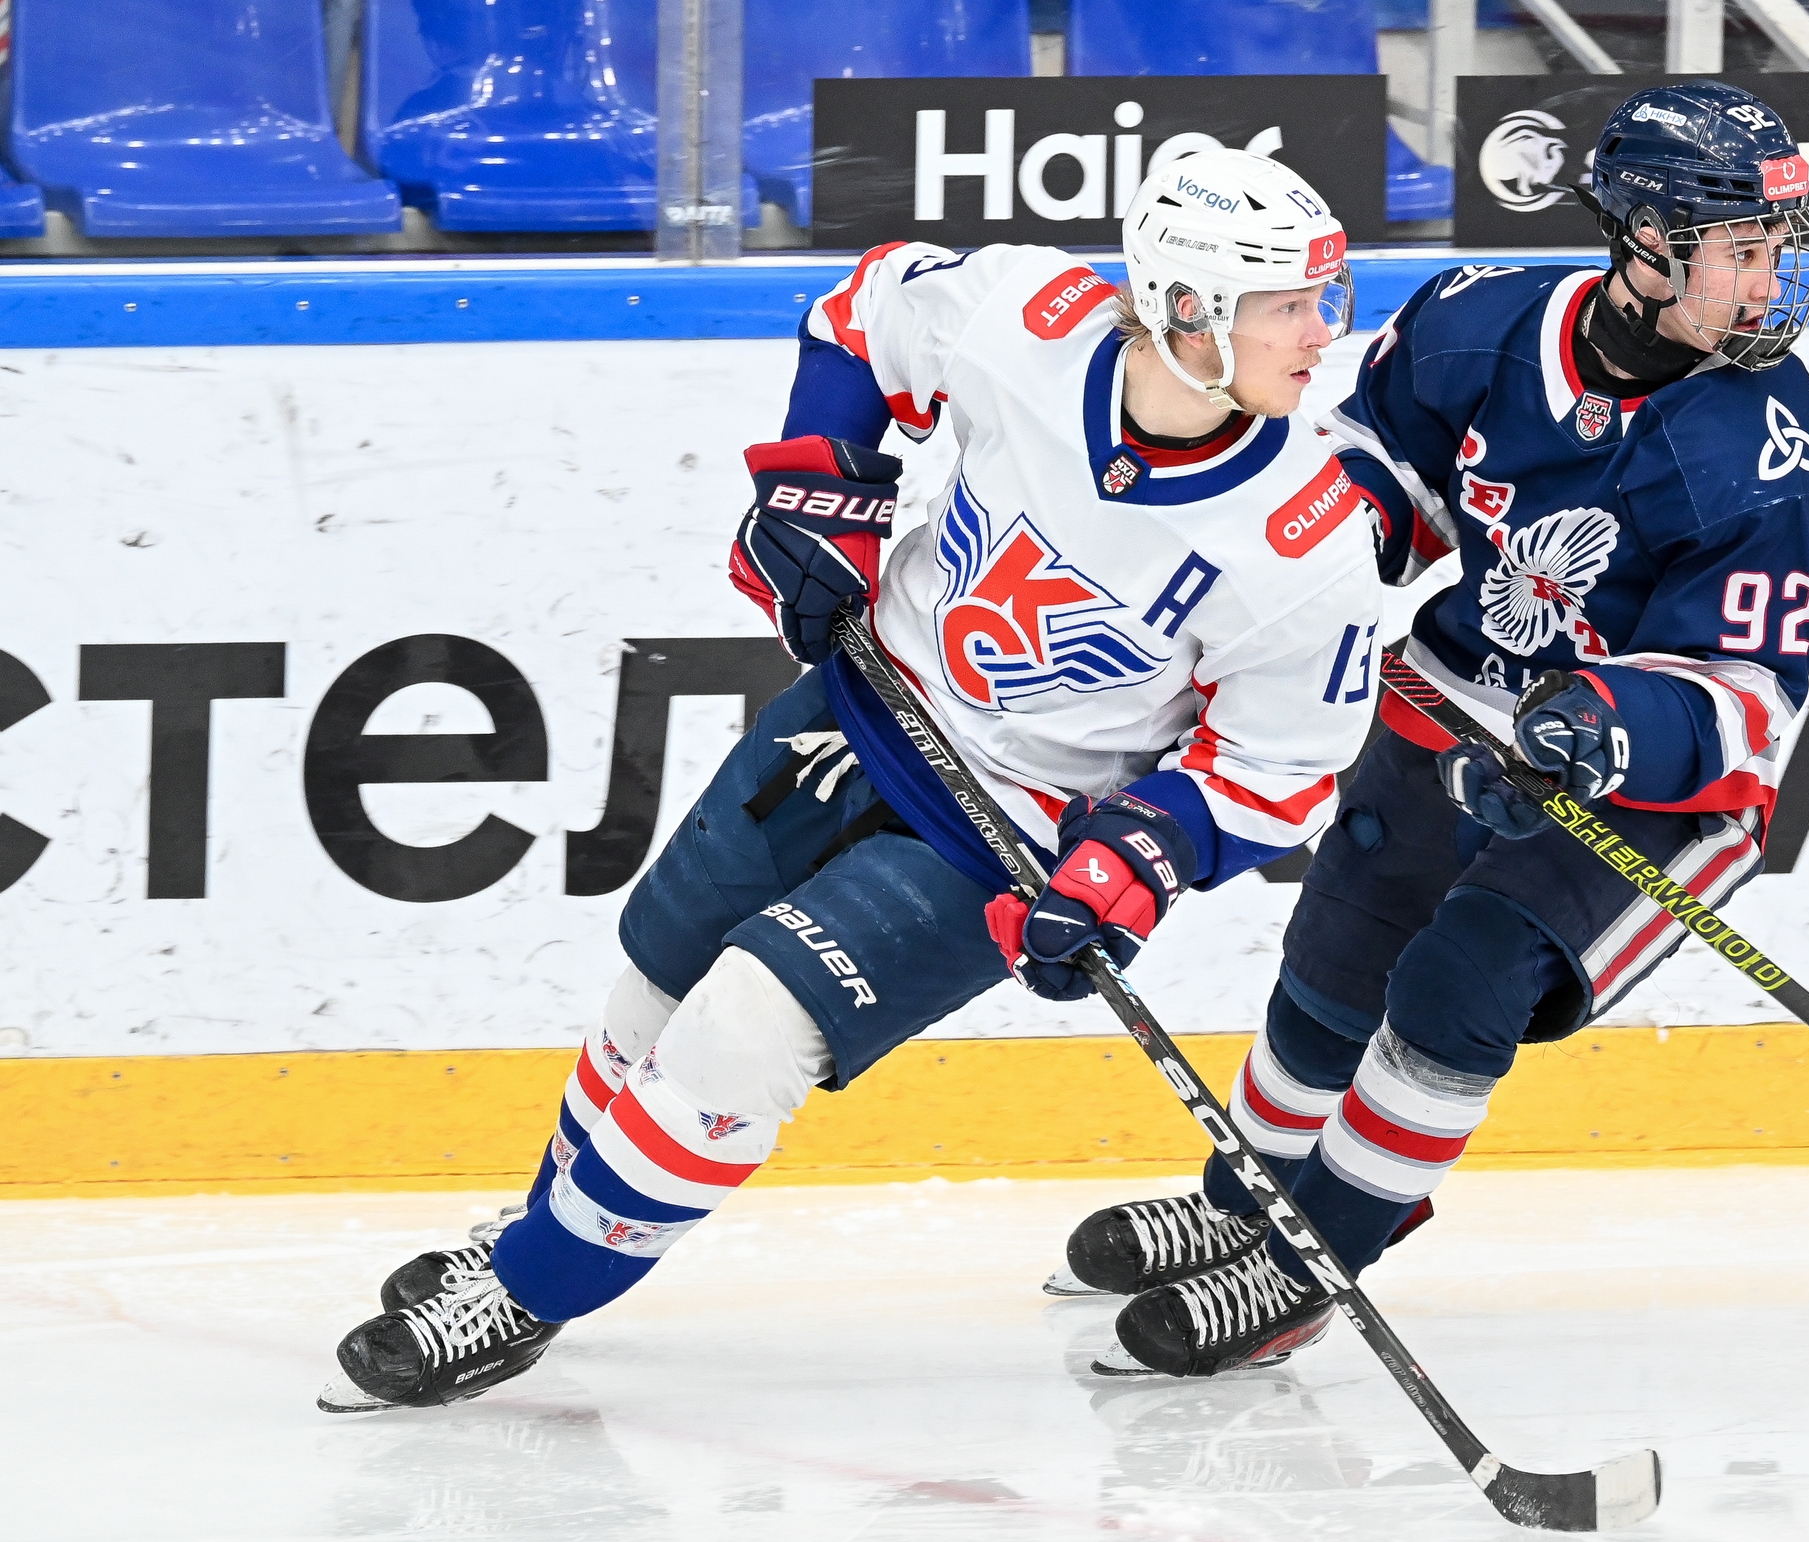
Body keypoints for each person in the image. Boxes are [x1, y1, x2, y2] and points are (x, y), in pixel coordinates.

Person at [318, 147, 1382, 1411]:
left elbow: (1279, 765)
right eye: (1288, 304)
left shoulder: (1309, 538)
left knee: (737, 1035)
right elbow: (864, 311)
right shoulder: (1030, 317)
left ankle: (523, 1292)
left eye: (1326, 295)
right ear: (1183, 307)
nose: (1323, 331)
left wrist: (1140, 857)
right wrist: (817, 486)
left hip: (1000, 835)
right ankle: (545, 1226)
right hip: (858, 704)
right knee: (658, 980)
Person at [1059, 84, 1809, 1379]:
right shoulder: (1479, 321)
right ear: (1648, 243)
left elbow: (1752, 689)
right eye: (1741, 251)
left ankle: (1312, 1261)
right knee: (1332, 963)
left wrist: (1601, 727)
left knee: (1458, 981)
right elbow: (1377, 475)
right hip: (1448, 697)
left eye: (1774, 250)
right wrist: (1315, 568)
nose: (1768, 285)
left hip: (1655, 783)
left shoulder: (1762, 439)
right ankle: (1248, 1202)